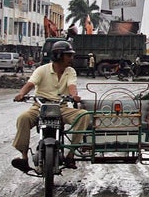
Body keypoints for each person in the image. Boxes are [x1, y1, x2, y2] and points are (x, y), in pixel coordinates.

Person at [11, 40, 91, 173]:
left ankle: (71, 155)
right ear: (59, 55)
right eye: (68, 55)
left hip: (61, 107)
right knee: (23, 118)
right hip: (40, 106)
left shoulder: (70, 71)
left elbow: (72, 86)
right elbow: (30, 84)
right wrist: (21, 94)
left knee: (84, 116)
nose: (71, 58)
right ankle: (24, 158)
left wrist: (74, 96)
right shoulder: (42, 70)